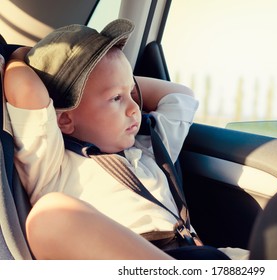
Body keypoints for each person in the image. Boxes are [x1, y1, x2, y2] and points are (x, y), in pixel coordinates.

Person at [4, 19, 248, 260]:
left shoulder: (149, 147)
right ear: (64, 120)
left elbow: (180, 95)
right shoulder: (52, 164)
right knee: (48, 215)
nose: (135, 109)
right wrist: (17, 55)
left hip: (195, 255)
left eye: (131, 93)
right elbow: (26, 91)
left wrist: (115, 78)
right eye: (116, 99)